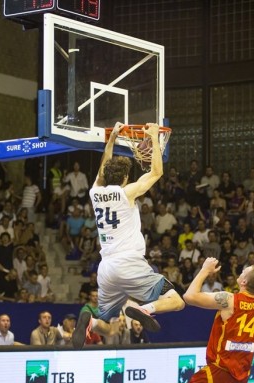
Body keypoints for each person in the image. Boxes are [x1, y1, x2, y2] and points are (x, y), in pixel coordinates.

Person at [72, 123, 185, 349]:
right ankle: (145, 309)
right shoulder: (127, 193)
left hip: (106, 269)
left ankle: (91, 322)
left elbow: (103, 167)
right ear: (125, 177)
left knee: (109, 323)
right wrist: (153, 138)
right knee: (176, 300)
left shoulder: (95, 193)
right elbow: (156, 172)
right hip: (130, 265)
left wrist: (112, 139)